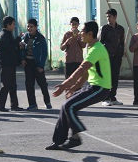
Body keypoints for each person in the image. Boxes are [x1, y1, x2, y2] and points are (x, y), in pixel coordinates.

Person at [45, 21, 111, 150]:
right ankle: (61, 141)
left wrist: (64, 85)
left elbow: (81, 69)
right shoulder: (91, 47)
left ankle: (77, 134)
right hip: (94, 86)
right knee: (67, 106)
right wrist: (74, 87)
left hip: (101, 88)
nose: (80, 33)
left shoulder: (97, 49)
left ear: (90, 34)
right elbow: (86, 74)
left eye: (82, 31)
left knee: (68, 106)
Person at [21, 18, 51, 110]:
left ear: (36, 27)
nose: (29, 28)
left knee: (42, 84)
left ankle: (47, 102)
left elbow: (44, 52)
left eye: (32, 27)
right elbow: (21, 48)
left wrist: (41, 66)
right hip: (28, 64)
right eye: (28, 26)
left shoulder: (40, 38)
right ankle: (32, 104)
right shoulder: (26, 36)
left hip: (37, 64)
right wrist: (22, 59)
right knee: (29, 84)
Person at [0, 16, 23, 112]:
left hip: (10, 63)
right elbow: (10, 48)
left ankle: (14, 105)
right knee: (6, 84)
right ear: (8, 25)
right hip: (6, 63)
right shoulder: (4, 35)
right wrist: (18, 40)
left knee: (12, 85)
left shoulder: (8, 34)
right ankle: (0, 105)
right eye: (13, 24)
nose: (14, 26)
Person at [99, 8, 125, 106]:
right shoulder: (104, 28)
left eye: (110, 16)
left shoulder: (120, 29)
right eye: (107, 17)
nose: (108, 19)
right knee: (106, 77)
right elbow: (100, 42)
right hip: (106, 56)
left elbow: (122, 42)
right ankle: (105, 98)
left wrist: (121, 53)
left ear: (115, 17)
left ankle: (113, 97)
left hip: (117, 56)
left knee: (115, 77)